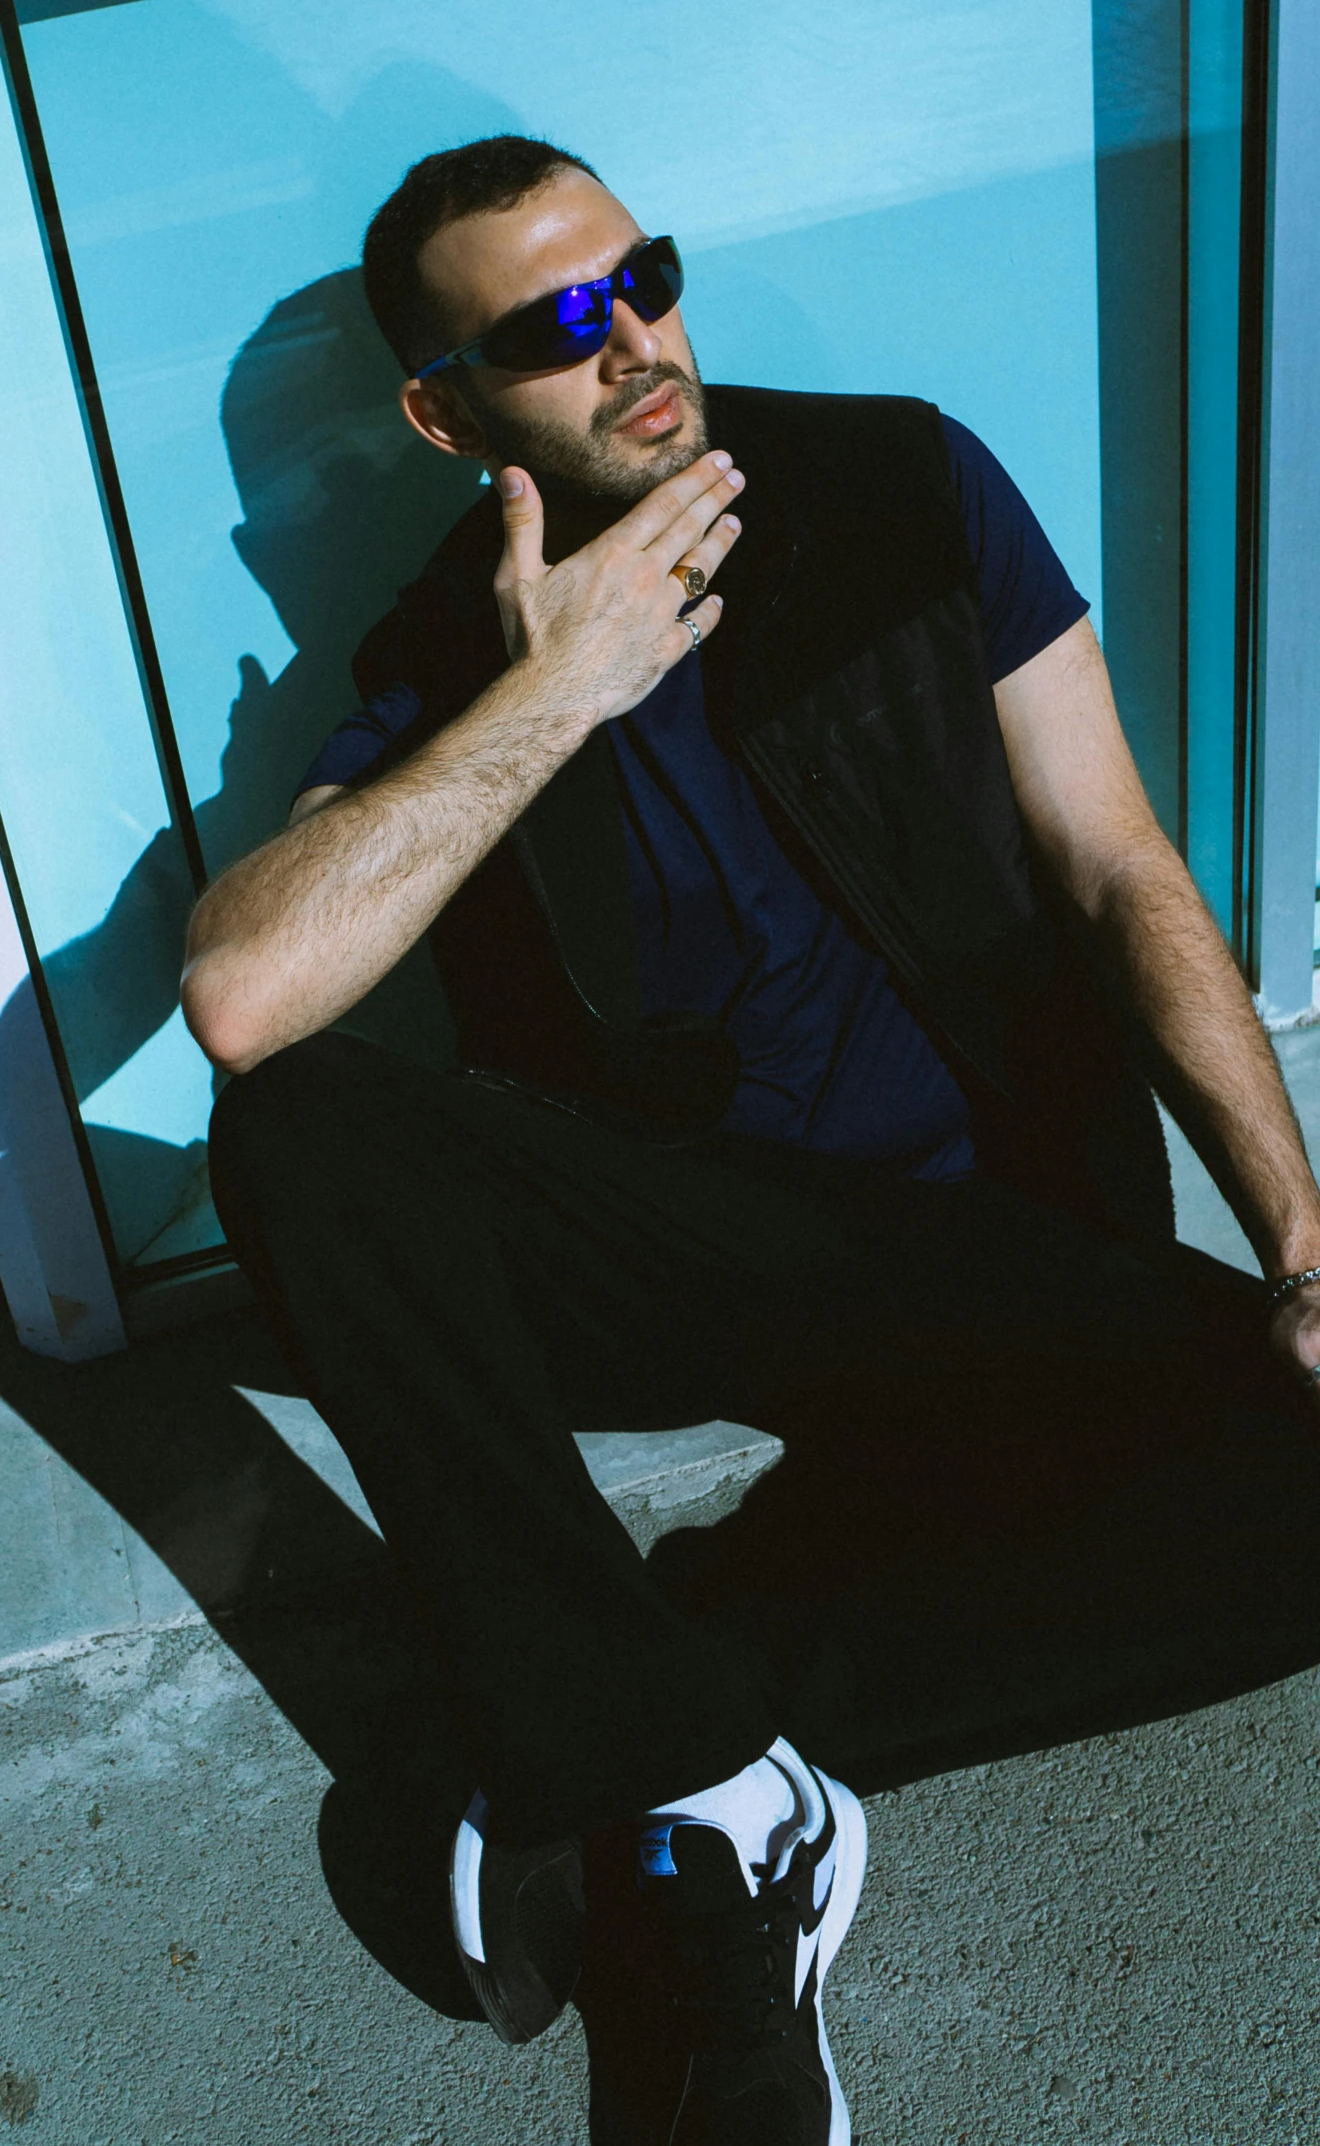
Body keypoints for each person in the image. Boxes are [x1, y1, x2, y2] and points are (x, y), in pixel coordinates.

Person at [181, 135, 1320, 2144]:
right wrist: (565, 685)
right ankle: (693, 1777)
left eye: (645, 278)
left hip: (993, 1245)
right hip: (713, 1255)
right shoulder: (463, 652)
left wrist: (1301, 1242)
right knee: (304, 1134)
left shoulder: (903, 487)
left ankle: (644, 1738)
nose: (630, 340)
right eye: (552, 324)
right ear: (447, 413)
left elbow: (1122, 863)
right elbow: (244, 998)